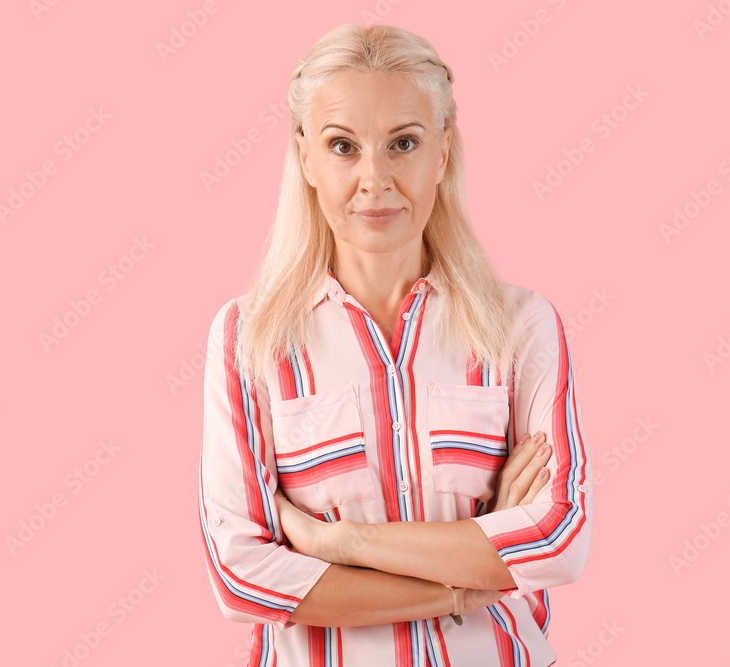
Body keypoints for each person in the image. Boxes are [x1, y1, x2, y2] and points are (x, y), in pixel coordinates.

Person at [198, 22, 592, 667]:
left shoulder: (521, 325)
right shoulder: (249, 336)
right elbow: (242, 576)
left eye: (403, 143)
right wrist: (472, 579)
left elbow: (557, 541)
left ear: (443, 151)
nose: (374, 179)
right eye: (343, 146)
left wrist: (343, 544)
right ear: (305, 157)